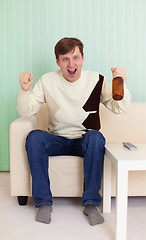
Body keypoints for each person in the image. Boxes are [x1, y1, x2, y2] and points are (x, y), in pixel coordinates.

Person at [17, 37, 131, 226]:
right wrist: (25, 90)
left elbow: (119, 108)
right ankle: (43, 203)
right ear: (58, 61)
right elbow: (25, 111)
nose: (71, 64)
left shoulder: (97, 79)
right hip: (57, 139)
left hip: (85, 140)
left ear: (83, 58)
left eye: (76, 58)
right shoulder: (47, 80)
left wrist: (122, 83)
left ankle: (91, 203)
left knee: (96, 137)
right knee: (34, 137)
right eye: (65, 59)